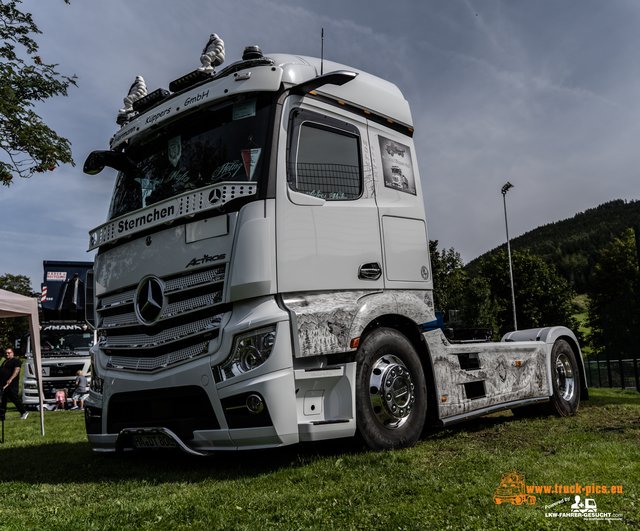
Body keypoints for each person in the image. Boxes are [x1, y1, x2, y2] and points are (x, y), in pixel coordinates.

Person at [0, 348, 28, 420]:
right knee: (2, 400)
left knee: (14, 398)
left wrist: (10, 379)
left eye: (9, 353)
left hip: (11, 384)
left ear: (12, 353)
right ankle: (2, 416)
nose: (7, 354)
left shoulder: (16, 361)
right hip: (3, 384)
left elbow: (17, 370)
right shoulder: (4, 362)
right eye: (6, 353)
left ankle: (23, 412)